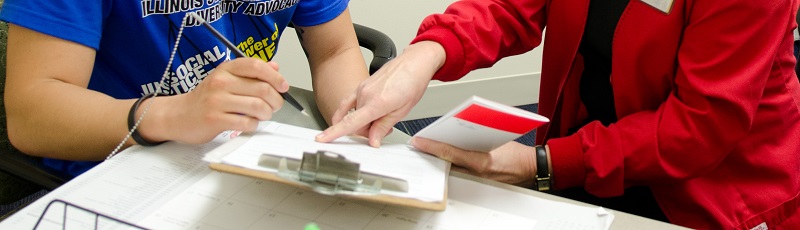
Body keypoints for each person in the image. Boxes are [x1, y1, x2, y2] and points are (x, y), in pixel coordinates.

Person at [316, 0, 800, 229]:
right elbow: (509, 7)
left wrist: (540, 165)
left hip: (708, 195)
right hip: (590, 159)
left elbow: (697, 127)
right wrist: (426, 55)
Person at [0, 0, 369, 177]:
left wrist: (357, 115)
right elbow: (32, 115)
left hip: (242, 150)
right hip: (115, 165)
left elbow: (335, 50)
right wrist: (174, 113)